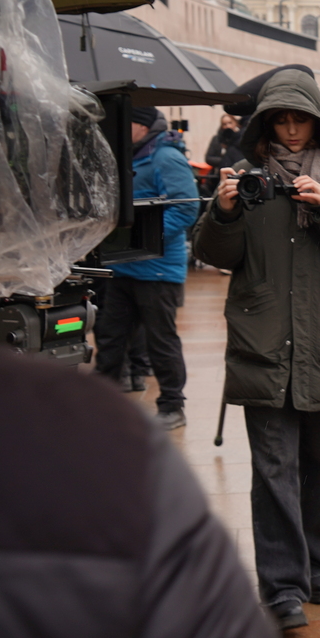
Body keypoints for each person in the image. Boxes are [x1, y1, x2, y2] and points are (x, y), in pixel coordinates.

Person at [0, 319, 320, 638]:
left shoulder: (103, 451)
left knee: (317, 464)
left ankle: (314, 566)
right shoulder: (107, 448)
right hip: (264, 351)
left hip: (316, 349)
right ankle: (288, 582)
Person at [193, 66, 320, 633]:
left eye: (299, 120)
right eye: (279, 121)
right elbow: (215, 253)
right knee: (273, 468)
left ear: (317, 122)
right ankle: (282, 587)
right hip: (263, 342)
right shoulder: (248, 177)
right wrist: (225, 210)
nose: (289, 131)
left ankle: (318, 564)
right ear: (265, 125)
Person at [94, 104, 198, 430]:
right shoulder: (130, 156)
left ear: (142, 127)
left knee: (161, 341)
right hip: (124, 267)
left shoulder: (166, 158)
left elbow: (185, 209)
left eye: (127, 124)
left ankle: (172, 406)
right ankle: (98, 402)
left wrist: (142, 238)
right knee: (110, 337)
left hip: (158, 271)